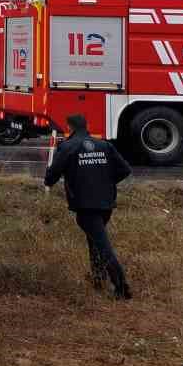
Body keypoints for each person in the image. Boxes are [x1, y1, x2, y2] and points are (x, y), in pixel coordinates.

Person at [44, 114, 133, 299]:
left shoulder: (67, 147)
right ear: (87, 125)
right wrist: (107, 183)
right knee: (94, 240)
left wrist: (50, 178)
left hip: (85, 204)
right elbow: (125, 170)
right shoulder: (104, 145)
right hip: (106, 203)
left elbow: (51, 177)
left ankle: (121, 287)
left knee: (102, 245)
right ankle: (98, 278)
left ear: (69, 128)